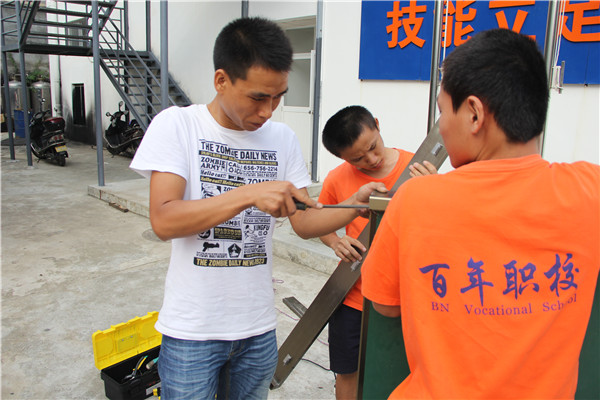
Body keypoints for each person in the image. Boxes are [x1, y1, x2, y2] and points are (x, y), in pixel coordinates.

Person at [130, 17, 381, 399]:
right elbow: (164, 219)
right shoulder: (178, 125)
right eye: (258, 98)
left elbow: (304, 221)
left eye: (278, 97)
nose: (268, 111)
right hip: (193, 332)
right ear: (221, 81)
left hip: (257, 329)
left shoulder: (282, 138)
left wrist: (354, 205)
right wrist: (249, 194)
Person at [361, 28, 599, 399]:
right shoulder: (590, 189)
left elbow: (385, 306)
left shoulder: (415, 200)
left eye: (442, 111)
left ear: (474, 114)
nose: (441, 126)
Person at [319, 105, 436, 399]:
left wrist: (435, 190)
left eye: (373, 147)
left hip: (403, 297)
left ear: (377, 125)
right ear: (342, 158)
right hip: (353, 296)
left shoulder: (417, 168)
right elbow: (319, 221)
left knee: (400, 370)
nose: (371, 159)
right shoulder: (336, 179)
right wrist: (334, 241)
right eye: (357, 159)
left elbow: (440, 227)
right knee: (347, 371)